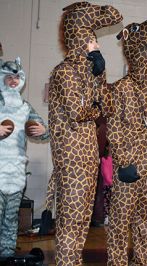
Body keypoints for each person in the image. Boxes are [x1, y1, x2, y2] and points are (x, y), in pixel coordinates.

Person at [47, 3, 122, 265]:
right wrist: (96, 104)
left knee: (81, 222)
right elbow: (78, 112)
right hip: (71, 158)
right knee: (71, 220)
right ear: (79, 41)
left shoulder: (90, 75)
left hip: (89, 158)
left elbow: (108, 107)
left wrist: (100, 77)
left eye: (95, 40)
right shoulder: (64, 71)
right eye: (90, 40)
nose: (96, 45)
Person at [106, 18, 147, 266]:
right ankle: (118, 263)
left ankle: (143, 262)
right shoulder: (121, 88)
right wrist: (123, 162)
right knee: (121, 223)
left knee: (145, 222)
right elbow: (114, 129)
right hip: (128, 168)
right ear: (139, 58)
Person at [0, 58, 48, 258]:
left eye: (16, 77)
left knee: (11, 218)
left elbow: (43, 132)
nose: (13, 81)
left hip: (16, 173)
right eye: (9, 77)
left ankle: (7, 253)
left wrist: (44, 130)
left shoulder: (25, 107)